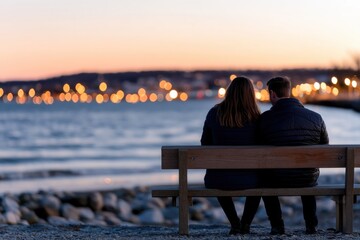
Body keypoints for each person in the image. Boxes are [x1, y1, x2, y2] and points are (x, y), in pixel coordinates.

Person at [200, 76, 284, 235]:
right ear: (250, 94)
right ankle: (245, 224)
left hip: (218, 179)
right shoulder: (257, 118)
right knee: (261, 182)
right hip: (251, 179)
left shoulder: (214, 113)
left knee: (220, 177)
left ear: (229, 92)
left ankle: (235, 223)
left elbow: (205, 143)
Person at [258, 76, 329, 234]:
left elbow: (258, 148)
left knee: (265, 180)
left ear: (273, 94)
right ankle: (311, 226)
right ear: (289, 92)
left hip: (275, 178)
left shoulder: (264, 119)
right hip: (306, 177)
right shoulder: (316, 117)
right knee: (307, 173)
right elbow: (324, 147)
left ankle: (277, 226)